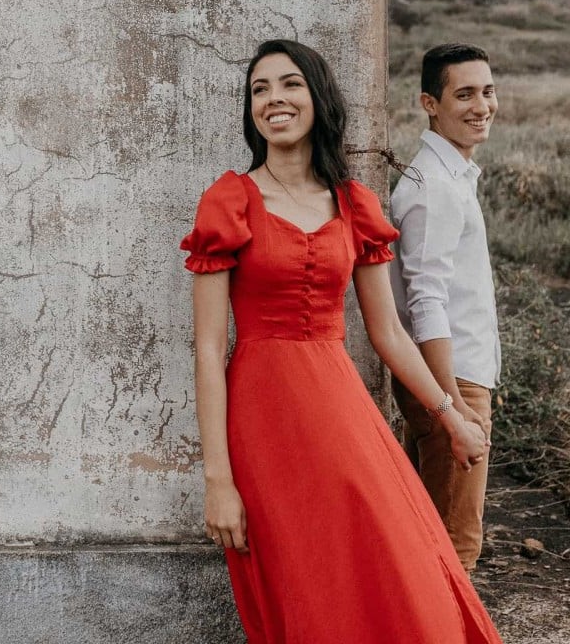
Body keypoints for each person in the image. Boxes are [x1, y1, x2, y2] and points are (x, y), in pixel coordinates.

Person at [180, 39, 502, 643]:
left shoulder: (355, 203)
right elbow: (207, 350)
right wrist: (217, 480)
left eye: (290, 84)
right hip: (263, 420)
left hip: (341, 407)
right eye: (259, 89)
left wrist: (451, 415)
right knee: (308, 579)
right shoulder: (229, 200)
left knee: (399, 561)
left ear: (318, 98)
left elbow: (388, 333)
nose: (273, 99)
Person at [389, 43, 501, 572]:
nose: (482, 106)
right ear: (430, 104)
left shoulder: (452, 176)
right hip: (452, 382)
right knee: (455, 550)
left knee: (433, 541)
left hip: (456, 378)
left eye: (487, 91)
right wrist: (452, 406)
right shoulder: (433, 186)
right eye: (465, 94)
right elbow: (425, 300)